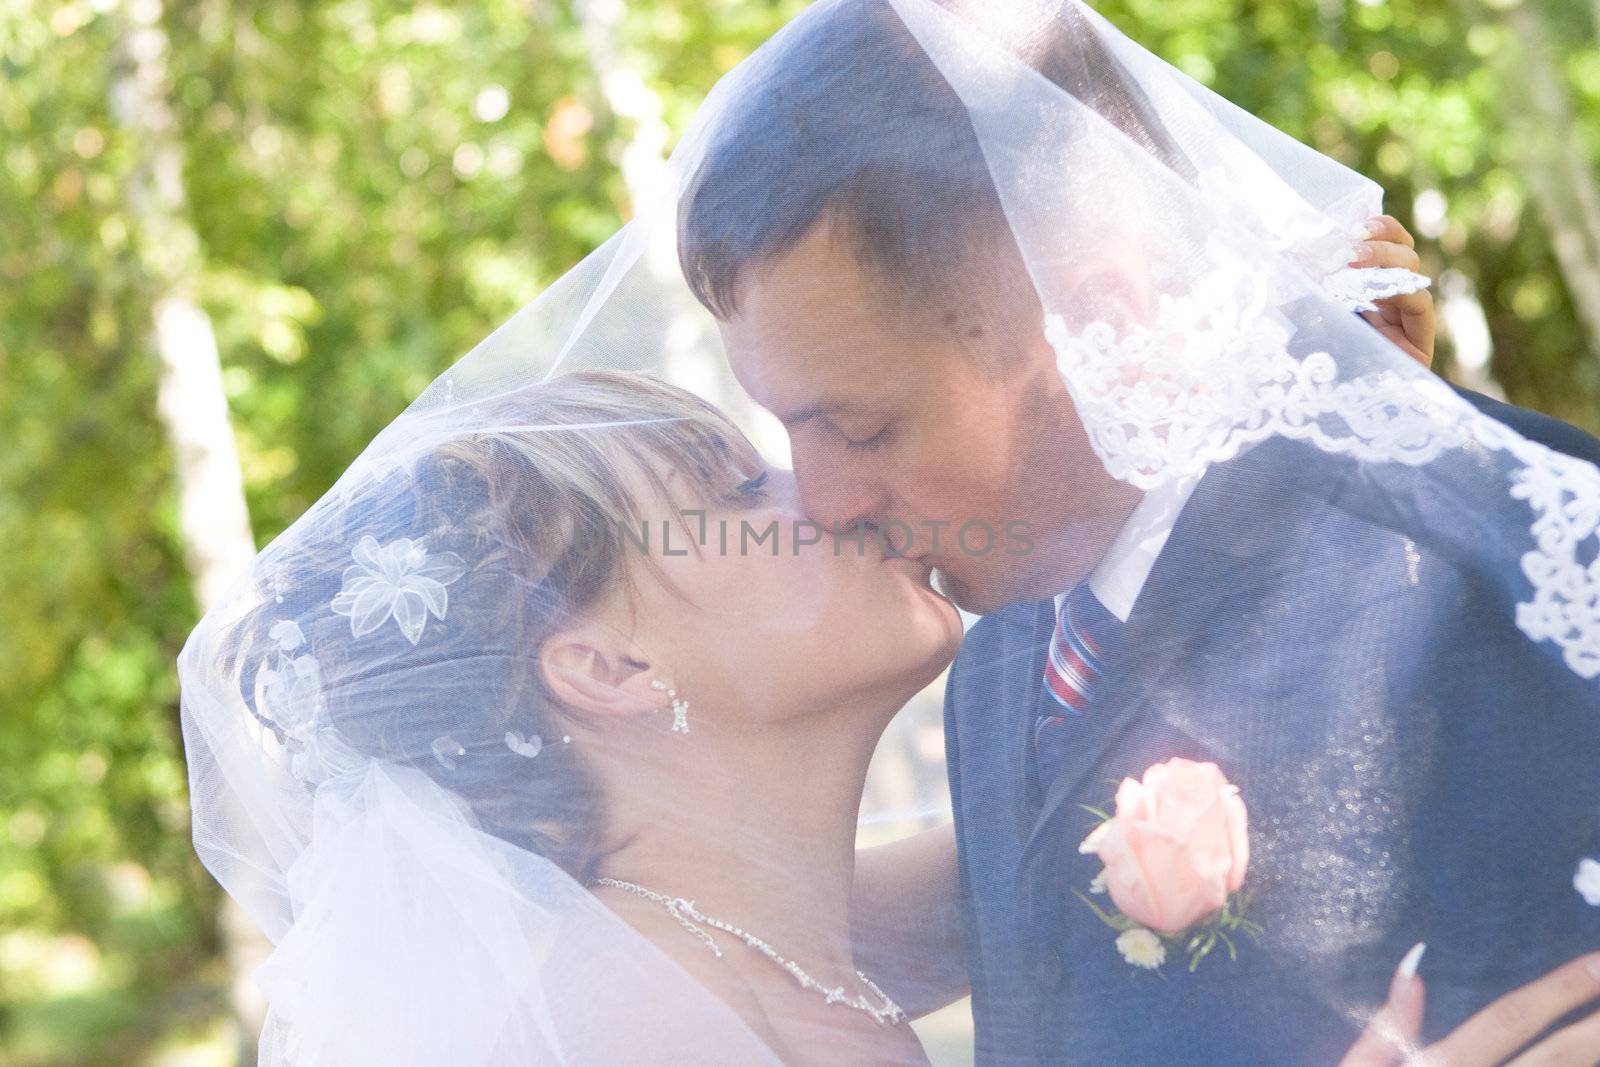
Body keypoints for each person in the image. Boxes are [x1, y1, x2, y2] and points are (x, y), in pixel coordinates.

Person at [675, 0, 1600, 1063]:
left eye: (859, 424)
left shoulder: (1490, 559)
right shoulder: (1001, 657)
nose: (825, 499)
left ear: (1098, 323)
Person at [183, 370, 962, 1064]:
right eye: (742, 494)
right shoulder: (639, 1027)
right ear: (610, 667)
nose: (830, 491)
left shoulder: (777, 948)